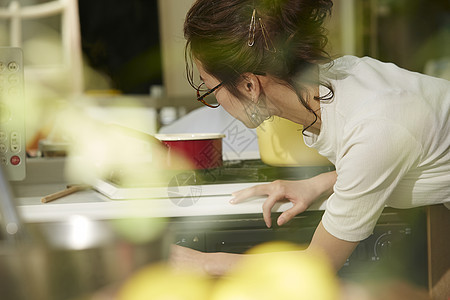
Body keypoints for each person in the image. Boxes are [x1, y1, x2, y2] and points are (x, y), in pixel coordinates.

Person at [170, 0, 450, 276]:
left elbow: (318, 265)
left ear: (249, 85)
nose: (215, 99)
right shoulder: (343, 76)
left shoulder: (373, 125)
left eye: (210, 90)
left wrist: (202, 263)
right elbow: (397, 154)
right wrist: (321, 182)